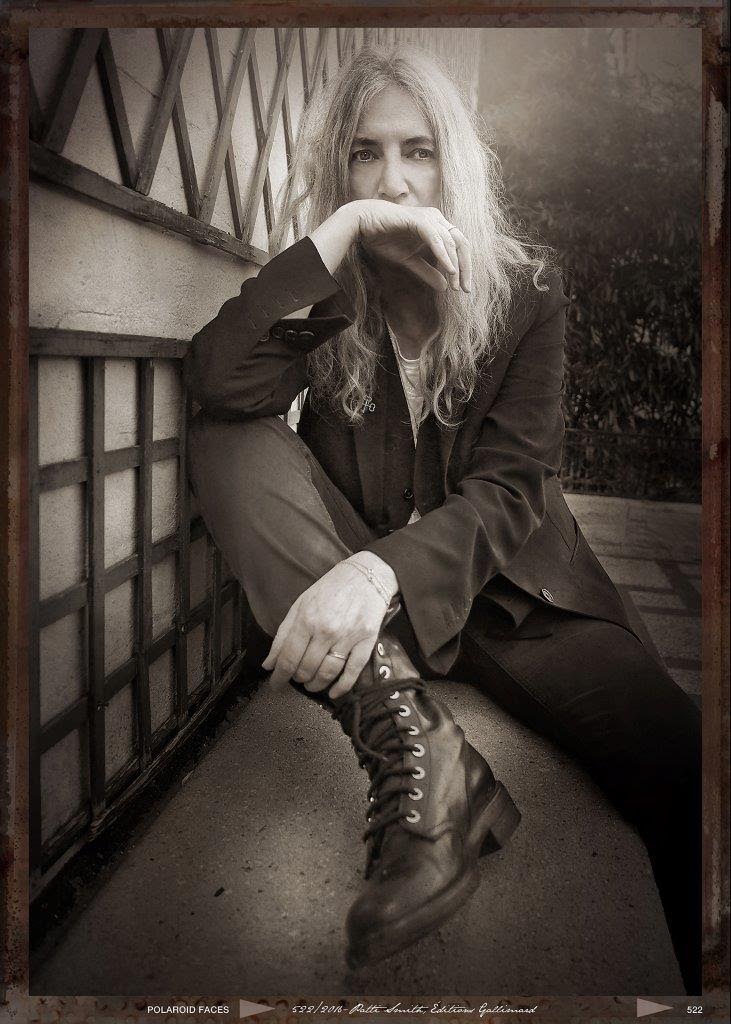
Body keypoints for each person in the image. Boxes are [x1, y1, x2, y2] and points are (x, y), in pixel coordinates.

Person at [182, 45, 701, 991]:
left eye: (417, 150)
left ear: (452, 160)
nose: (394, 181)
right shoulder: (327, 297)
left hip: (512, 597)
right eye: (365, 154)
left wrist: (375, 572)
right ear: (338, 168)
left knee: (680, 760)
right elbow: (221, 382)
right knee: (228, 433)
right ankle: (416, 748)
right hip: (365, 588)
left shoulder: (525, 291)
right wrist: (340, 232)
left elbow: (512, 489)